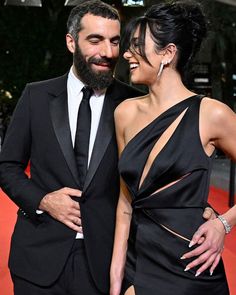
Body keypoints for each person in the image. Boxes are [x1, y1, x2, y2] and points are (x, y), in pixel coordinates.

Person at [0, 0, 216, 294]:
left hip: (105, 263)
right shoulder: (36, 96)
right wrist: (42, 200)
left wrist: (209, 214)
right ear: (71, 42)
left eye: (115, 41)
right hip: (38, 257)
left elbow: (163, 173)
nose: (108, 52)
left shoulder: (135, 105)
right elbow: (7, 167)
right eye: (95, 40)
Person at [110, 1, 236, 295]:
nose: (126, 53)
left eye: (138, 45)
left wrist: (224, 223)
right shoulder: (124, 113)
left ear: (167, 53)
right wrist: (116, 276)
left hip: (191, 267)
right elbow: (125, 203)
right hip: (138, 264)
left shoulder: (211, 114)